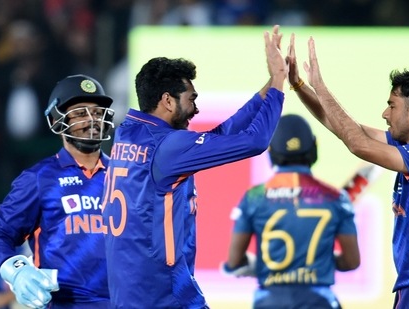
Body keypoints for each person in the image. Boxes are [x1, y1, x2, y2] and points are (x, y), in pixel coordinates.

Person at [101, 25, 288, 308]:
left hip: (130, 294)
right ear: (167, 100)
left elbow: (218, 137)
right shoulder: (169, 147)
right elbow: (255, 142)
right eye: (191, 99)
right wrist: (278, 86)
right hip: (166, 295)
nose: (196, 109)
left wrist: (268, 84)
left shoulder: (128, 132)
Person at [286, 34, 409, 308]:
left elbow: (357, 144)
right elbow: (347, 130)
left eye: (391, 105)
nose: (385, 114)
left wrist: (320, 86)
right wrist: (300, 86)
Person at [0, 74, 115, 309]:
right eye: (80, 113)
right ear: (58, 120)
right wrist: (17, 271)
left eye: (97, 112)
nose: (92, 119)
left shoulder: (127, 177)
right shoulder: (39, 178)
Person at [222, 114, 363, 309]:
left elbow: (234, 260)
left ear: (271, 152)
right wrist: (320, 262)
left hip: (269, 302)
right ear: (313, 148)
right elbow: (351, 261)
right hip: (319, 301)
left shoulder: (254, 197)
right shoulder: (336, 199)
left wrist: (259, 267)